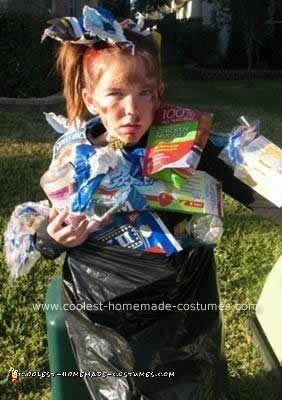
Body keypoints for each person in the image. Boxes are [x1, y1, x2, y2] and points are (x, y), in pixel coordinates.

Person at [36, 6, 281, 400]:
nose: (131, 110)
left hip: (183, 307)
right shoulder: (75, 156)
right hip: (106, 309)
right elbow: (42, 231)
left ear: (159, 93)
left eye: (144, 93)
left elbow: (256, 188)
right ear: (90, 98)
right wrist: (52, 238)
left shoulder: (185, 144)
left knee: (193, 384)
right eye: (115, 94)